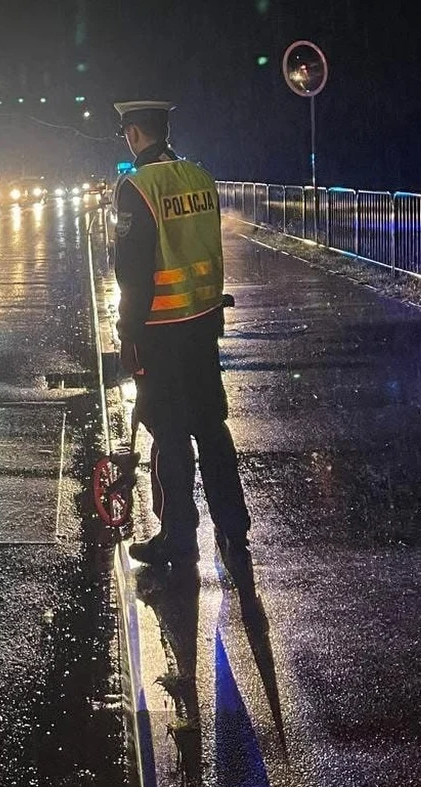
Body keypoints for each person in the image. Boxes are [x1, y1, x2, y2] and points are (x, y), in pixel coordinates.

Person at [112, 99, 252, 574]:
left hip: (160, 333)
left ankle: (177, 537)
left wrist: (127, 333)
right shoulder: (200, 178)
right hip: (202, 324)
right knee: (212, 429)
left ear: (133, 134)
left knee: (168, 436)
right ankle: (234, 530)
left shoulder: (136, 187)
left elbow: (132, 273)